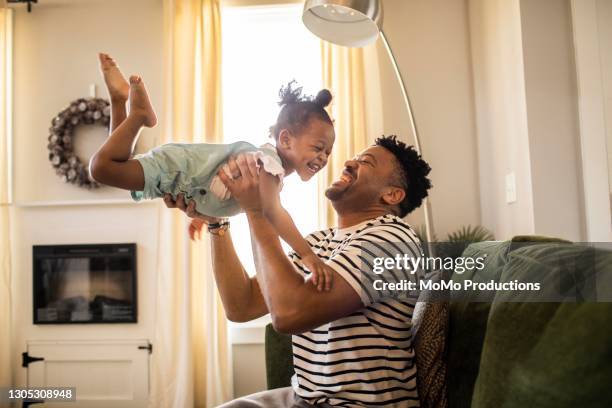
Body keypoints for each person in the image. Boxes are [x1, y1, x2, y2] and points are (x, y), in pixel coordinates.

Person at [165, 135, 433, 407]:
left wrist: (257, 209)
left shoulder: (391, 240)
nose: (349, 162)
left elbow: (288, 315)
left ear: (391, 194)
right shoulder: (319, 242)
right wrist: (216, 222)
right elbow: (241, 306)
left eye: (366, 162)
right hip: (303, 398)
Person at [89, 53, 336, 290]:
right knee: (102, 168)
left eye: (328, 152)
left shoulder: (266, 165)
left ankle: (119, 99)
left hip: (180, 176)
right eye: (318, 148)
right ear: (286, 139)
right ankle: (140, 115)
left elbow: (218, 182)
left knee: (117, 162)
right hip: (178, 170)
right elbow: (273, 213)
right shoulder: (268, 167)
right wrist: (309, 257)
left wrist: (203, 214)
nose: (323, 157)